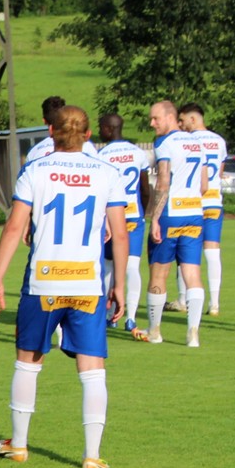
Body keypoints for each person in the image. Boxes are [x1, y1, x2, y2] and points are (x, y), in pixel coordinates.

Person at [0, 106, 127, 468]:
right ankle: (92, 455)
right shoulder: (106, 173)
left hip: (44, 280)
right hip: (87, 282)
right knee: (92, 368)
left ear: (52, 132)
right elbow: (121, 233)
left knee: (29, 361)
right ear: (87, 133)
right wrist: (121, 285)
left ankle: (18, 445)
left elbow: (15, 228)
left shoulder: (36, 170)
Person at [138, 100, 206, 346]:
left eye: (155, 118)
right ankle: (193, 334)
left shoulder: (164, 144)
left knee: (159, 272)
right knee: (192, 273)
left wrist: (154, 217)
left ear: (169, 117)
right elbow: (205, 185)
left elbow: (163, 181)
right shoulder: (197, 143)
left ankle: (154, 331)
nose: (152, 123)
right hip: (195, 213)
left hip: (171, 214)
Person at [92, 113, 150, 333]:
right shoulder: (138, 152)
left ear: (108, 129)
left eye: (100, 127)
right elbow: (145, 188)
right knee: (132, 266)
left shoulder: (101, 155)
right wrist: (144, 213)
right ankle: (131, 318)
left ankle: (109, 316)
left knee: (107, 266)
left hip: (110, 216)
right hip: (134, 215)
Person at [179, 102, 227, 315]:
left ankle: (183, 300)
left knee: (185, 251)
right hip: (214, 200)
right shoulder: (219, 141)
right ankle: (214, 303)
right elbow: (219, 172)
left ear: (192, 119)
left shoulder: (187, 141)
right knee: (213, 251)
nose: (181, 125)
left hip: (192, 203)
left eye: (182, 120)